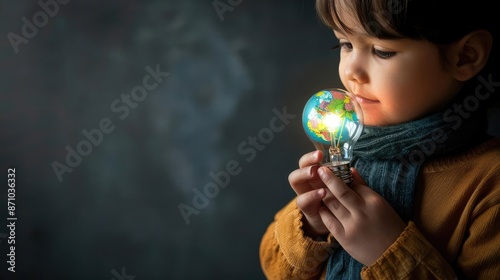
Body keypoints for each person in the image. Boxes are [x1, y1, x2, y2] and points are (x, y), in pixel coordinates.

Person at [259, 0, 500, 279]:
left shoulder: (489, 187)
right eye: (345, 45)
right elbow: (272, 264)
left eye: (382, 51)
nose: (352, 72)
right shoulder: (349, 159)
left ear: (465, 57)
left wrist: (386, 251)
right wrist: (313, 225)